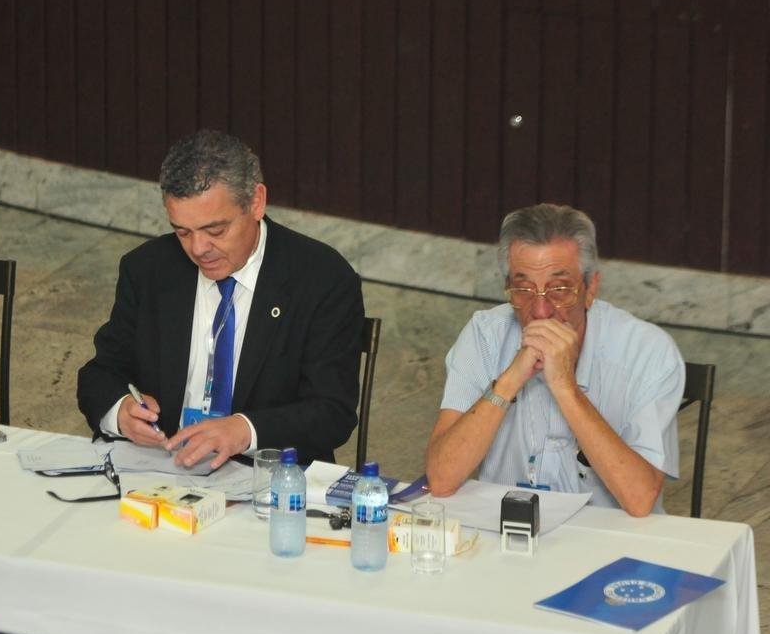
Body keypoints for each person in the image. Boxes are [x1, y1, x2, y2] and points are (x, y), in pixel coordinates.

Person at [77, 129, 364, 468]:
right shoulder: (148, 270)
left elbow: (332, 412)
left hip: (267, 477)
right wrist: (121, 410)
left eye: (215, 231)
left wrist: (244, 430)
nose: (198, 249)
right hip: (162, 469)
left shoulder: (321, 279)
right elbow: (99, 374)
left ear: (256, 202)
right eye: (182, 231)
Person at [425, 204, 684, 516]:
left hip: (610, 541)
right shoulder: (485, 335)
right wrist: (509, 381)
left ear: (591, 289)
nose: (541, 311)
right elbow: (440, 478)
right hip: (508, 532)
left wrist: (565, 388)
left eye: (560, 289)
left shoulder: (648, 351)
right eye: (523, 289)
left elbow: (641, 499)